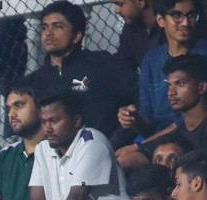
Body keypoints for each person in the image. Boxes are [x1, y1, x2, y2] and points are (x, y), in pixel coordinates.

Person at [26, 1, 139, 138]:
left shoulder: (102, 63)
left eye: (57, 27)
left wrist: (118, 139)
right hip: (54, 155)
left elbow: (140, 96)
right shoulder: (34, 81)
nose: (48, 33)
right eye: (44, 28)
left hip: (105, 149)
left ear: (76, 35)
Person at [125, 0, 207, 139]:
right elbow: (148, 118)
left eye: (191, 15)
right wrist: (133, 119)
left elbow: (206, 116)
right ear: (160, 20)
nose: (185, 23)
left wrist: (144, 146)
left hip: (196, 135)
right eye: (177, 16)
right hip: (158, 136)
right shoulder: (151, 60)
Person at [121, 53, 207, 170]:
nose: (171, 92)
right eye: (169, 85)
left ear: (201, 87)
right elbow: (146, 153)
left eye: (180, 84)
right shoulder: (180, 132)